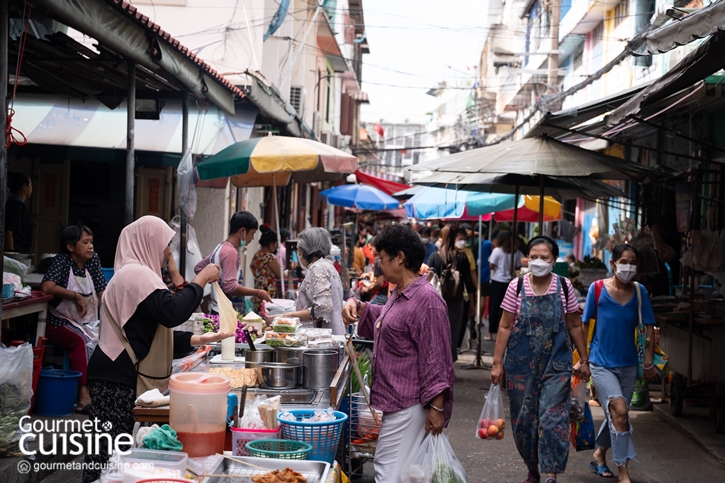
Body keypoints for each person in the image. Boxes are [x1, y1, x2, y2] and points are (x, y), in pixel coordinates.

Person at [83, 216, 231, 483]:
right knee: (112, 462)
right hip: (117, 379)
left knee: (113, 460)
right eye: (165, 245)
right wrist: (201, 278)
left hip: (114, 375)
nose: (167, 253)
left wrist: (199, 340)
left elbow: (151, 336)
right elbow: (172, 312)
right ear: (148, 242)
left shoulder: (132, 276)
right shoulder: (136, 276)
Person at [342, 224, 455, 483]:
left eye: (381, 258)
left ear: (400, 257)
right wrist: (358, 306)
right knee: (402, 473)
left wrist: (437, 408)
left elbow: (436, 358)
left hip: (410, 403)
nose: (379, 264)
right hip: (397, 400)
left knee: (388, 471)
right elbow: (388, 320)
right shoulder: (401, 292)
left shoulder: (427, 299)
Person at [491, 236, 591, 483]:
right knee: (524, 420)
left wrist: (585, 361)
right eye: (533, 256)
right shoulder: (515, 286)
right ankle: (533, 468)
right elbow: (504, 326)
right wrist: (496, 363)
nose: (538, 261)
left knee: (551, 417)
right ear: (527, 258)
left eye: (544, 257)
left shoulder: (565, 287)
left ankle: (551, 473)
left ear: (554, 260)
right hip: (520, 366)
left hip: (556, 365)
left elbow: (575, 324)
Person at [580, 244, 658, 482]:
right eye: (624, 261)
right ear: (613, 264)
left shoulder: (639, 291)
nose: (628, 267)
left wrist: (647, 362)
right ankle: (623, 469)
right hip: (601, 364)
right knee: (621, 412)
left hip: (628, 365)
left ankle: (600, 454)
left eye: (633, 262)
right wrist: (583, 360)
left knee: (617, 416)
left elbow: (647, 327)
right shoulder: (597, 289)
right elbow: (583, 326)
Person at [41, 226, 107, 413]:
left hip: (86, 321)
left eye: (91, 242)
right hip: (57, 320)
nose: (90, 247)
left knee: (102, 340)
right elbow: (47, 287)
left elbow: (102, 290)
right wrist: (75, 295)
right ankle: (83, 397)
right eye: (85, 243)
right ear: (70, 247)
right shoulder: (61, 261)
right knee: (82, 341)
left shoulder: (92, 261)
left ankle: (99, 392)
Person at [195, 211, 271, 314]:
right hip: (226, 314)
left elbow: (199, 268)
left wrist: (217, 280)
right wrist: (257, 292)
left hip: (217, 310)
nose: (252, 238)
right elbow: (229, 286)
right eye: (252, 234)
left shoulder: (220, 248)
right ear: (242, 231)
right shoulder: (230, 252)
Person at [276, 228, 345, 334]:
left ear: (306, 250)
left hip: (323, 340)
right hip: (333, 335)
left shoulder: (317, 268)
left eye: (299, 250)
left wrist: (288, 316)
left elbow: (323, 309)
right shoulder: (328, 266)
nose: (299, 254)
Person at [427, 226, 475, 362]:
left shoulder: (434, 256)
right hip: (456, 300)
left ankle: (437, 361)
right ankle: (448, 363)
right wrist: (471, 304)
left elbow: (427, 278)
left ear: (441, 238)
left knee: (436, 332)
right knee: (452, 332)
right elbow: (468, 282)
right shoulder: (462, 257)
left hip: (436, 300)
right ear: (454, 238)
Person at [487, 231, 520, 340]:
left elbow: (491, 265)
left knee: (494, 308)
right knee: (508, 309)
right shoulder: (515, 252)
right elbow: (517, 267)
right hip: (510, 283)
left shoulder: (497, 250)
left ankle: (491, 333)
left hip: (497, 281)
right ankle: (506, 332)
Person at [250, 224, 282, 314]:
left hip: (257, 295)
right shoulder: (269, 257)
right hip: (268, 295)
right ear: (271, 243)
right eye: (275, 243)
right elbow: (280, 275)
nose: (276, 246)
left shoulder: (256, 256)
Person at [5, 172, 34, 253]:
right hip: (16, 255)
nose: (31, 188)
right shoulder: (15, 206)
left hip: (22, 253)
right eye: (30, 185)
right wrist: (10, 253)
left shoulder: (19, 205)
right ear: (24, 187)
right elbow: (8, 231)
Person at [478, 229, 493, 330]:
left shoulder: (471, 242)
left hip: (474, 271)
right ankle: (479, 320)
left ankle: (473, 318)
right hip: (484, 273)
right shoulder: (487, 243)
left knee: (475, 296)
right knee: (483, 297)